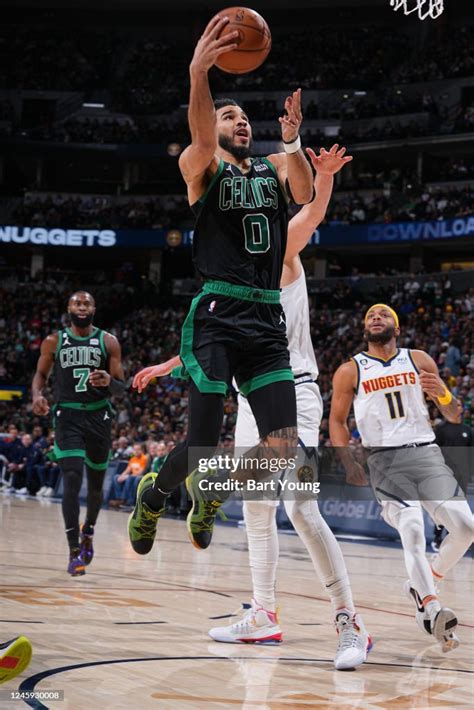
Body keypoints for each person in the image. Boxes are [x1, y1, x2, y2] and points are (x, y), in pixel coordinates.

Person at [134, 146, 372, 670]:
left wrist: (321, 175)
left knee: (299, 505)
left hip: (298, 388)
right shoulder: (234, 271)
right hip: (249, 392)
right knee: (259, 511)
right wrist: (174, 362)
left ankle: (349, 622)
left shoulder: (280, 249)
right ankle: (264, 613)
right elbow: (221, 336)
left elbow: (310, 212)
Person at [127, 13, 314, 555]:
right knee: (202, 443)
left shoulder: (274, 166)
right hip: (216, 313)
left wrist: (294, 139)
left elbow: (302, 191)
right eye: (230, 116)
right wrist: (198, 75)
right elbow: (201, 136)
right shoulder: (201, 167)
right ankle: (154, 496)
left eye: (244, 118)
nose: (241, 123)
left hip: (265, 315)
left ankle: (209, 493)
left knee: (283, 448)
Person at [329, 304, 473, 653]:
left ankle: (428, 579)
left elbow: (454, 415)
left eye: (383, 314)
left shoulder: (420, 359)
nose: (376, 317)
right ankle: (430, 606)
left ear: (397, 326)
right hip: (384, 459)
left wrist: (443, 392)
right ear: (365, 329)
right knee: (411, 528)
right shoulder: (350, 370)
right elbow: (337, 421)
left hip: (426, 452)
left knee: (467, 528)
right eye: (369, 316)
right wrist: (347, 460)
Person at [32, 291, 125, 576]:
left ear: (94, 308)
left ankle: (89, 530)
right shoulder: (54, 341)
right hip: (67, 415)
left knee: (96, 485)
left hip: (99, 415)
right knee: (71, 478)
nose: (81, 307)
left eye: (86, 303)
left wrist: (110, 380)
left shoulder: (108, 341)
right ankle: (73, 550)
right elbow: (40, 375)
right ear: (69, 308)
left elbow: (122, 387)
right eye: (77, 303)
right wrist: (36, 395)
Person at [432, 398, 473, 551]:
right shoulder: (441, 429)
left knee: (458, 509)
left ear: (462, 408)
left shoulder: (467, 431)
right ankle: (437, 537)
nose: (456, 407)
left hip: (462, 476)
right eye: (453, 405)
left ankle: (454, 542)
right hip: (444, 475)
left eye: (458, 405)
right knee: (444, 508)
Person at [108, 442, 148, 508]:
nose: (136, 451)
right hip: (131, 476)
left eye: (138, 449)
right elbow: (127, 470)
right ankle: (119, 498)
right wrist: (121, 476)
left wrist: (127, 476)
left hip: (140, 476)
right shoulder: (133, 459)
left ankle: (125, 500)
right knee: (116, 477)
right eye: (135, 449)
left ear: (142, 450)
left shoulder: (144, 458)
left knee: (129, 477)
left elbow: (141, 472)